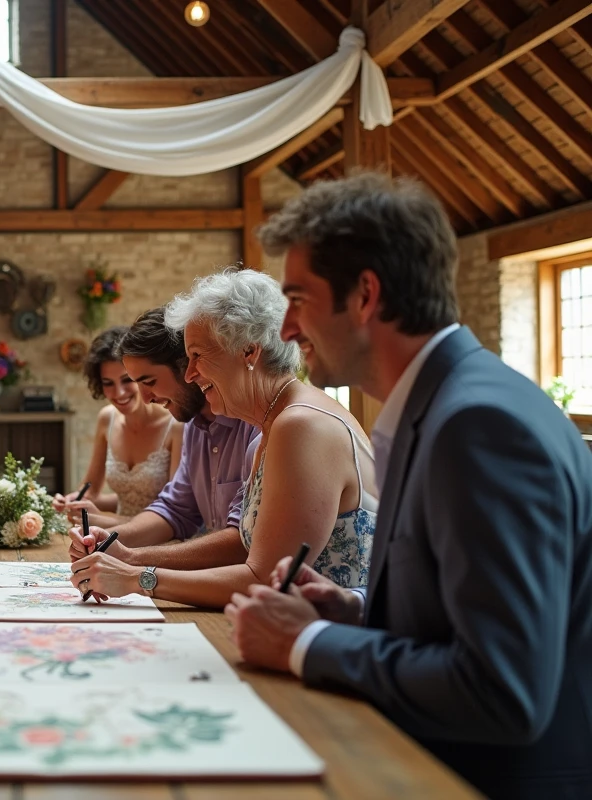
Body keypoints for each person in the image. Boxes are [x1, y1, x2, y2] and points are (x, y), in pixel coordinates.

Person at [225, 172, 592, 799]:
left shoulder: (479, 426)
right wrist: (359, 609)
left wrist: (306, 643)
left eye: (299, 299)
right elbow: (472, 611)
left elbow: (504, 688)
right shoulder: (444, 406)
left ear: (365, 295)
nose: (287, 329)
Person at [72, 270, 375, 608]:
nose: (189, 374)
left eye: (198, 355)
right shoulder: (273, 427)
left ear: (248, 351)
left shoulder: (300, 425)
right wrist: (127, 557)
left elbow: (263, 579)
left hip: (334, 647)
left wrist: (135, 576)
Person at [67, 308, 259, 562]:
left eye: (149, 382)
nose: (145, 397)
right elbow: (174, 510)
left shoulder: (254, 425)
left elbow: (242, 541)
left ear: (186, 368)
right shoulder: (193, 426)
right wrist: (109, 538)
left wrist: (134, 561)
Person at [53, 325, 183, 527]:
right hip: (114, 537)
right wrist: (74, 501)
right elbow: (91, 489)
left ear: (141, 377)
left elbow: (178, 512)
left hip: (162, 539)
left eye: (126, 380)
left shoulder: (175, 425)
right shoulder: (107, 419)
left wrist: (104, 519)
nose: (119, 393)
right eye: (108, 383)